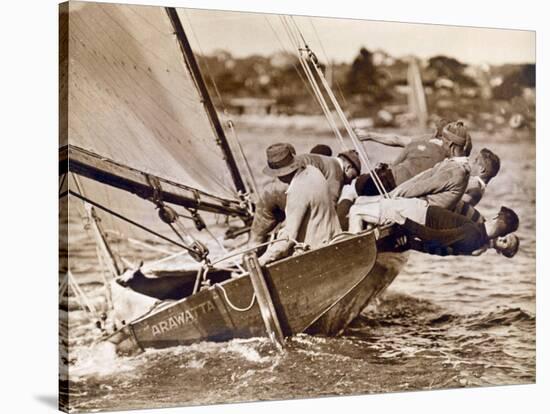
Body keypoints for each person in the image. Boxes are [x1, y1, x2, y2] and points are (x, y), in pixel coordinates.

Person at [249, 145, 360, 246]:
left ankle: (250, 255)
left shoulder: (320, 159)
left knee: (257, 236)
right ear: (348, 167)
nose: (350, 182)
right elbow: (329, 208)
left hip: (269, 190)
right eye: (353, 177)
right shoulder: (336, 172)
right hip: (290, 190)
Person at [257, 143, 341, 266]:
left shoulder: (297, 191)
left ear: (281, 174)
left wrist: (261, 260)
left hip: (317, 251)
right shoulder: (313, 171)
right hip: (334, 239)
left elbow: (288, 238)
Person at [349, 198, 519, 257]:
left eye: (505, 243)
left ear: (496, 217)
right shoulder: (477, 231)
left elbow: (435, 238)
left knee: (356, 210)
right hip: (419, 211)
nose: (502, 240)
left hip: (416, 214)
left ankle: (350, 253)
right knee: (363, 206)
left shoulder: (474, 235)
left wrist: (404, 222)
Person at [352, 120, 472, 196]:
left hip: (393, 185)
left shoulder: (426, 141)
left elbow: (396, 139)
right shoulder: (453, 159)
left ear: (437, 133)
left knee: (351, 189)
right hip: (408, 189)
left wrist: (368, 135)